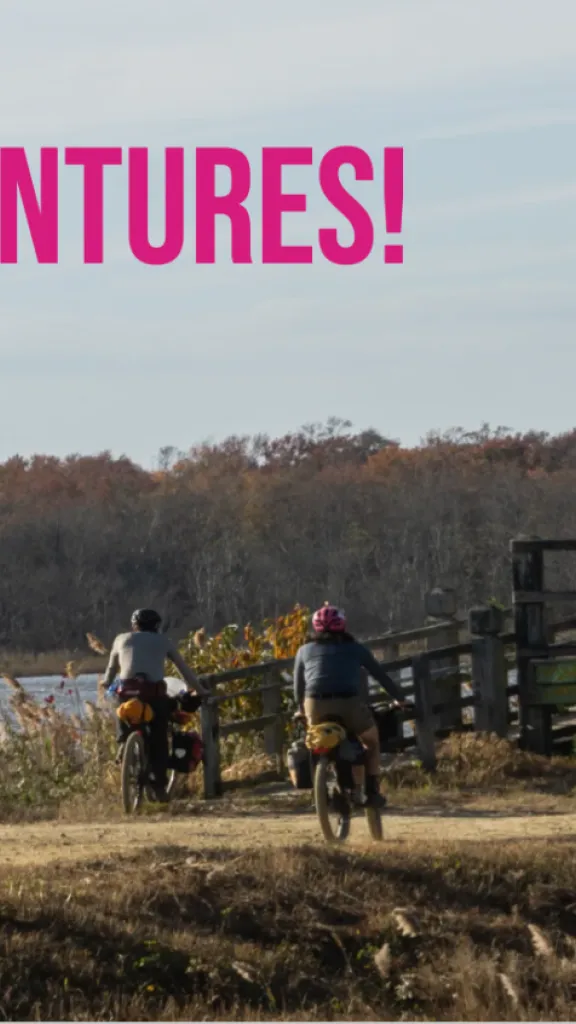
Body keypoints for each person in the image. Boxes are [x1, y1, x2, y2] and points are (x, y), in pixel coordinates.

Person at [293, 603, 409, 808]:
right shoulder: (356, 648)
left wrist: (300, 709)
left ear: (316, 628)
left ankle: (317, 795)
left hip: (315, 703)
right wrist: (400, 698)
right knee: (371, 741)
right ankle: (372, 792)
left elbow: (298, 686)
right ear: (343, 625)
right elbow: (380, 676)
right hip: (349, 703)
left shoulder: (303, 650)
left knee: (314, 740)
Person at [103, 608, 207, 801]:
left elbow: (110, 672)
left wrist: (107, 684)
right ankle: (159, 787)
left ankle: (124, 742)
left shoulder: (120, 639)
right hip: (153, 694)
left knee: (122, 710)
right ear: (157, 626)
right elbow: (184, 671)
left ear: (134, 625)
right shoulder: (163, 642)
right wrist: (200, 691)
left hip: (126, 693)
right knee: (159, 737)